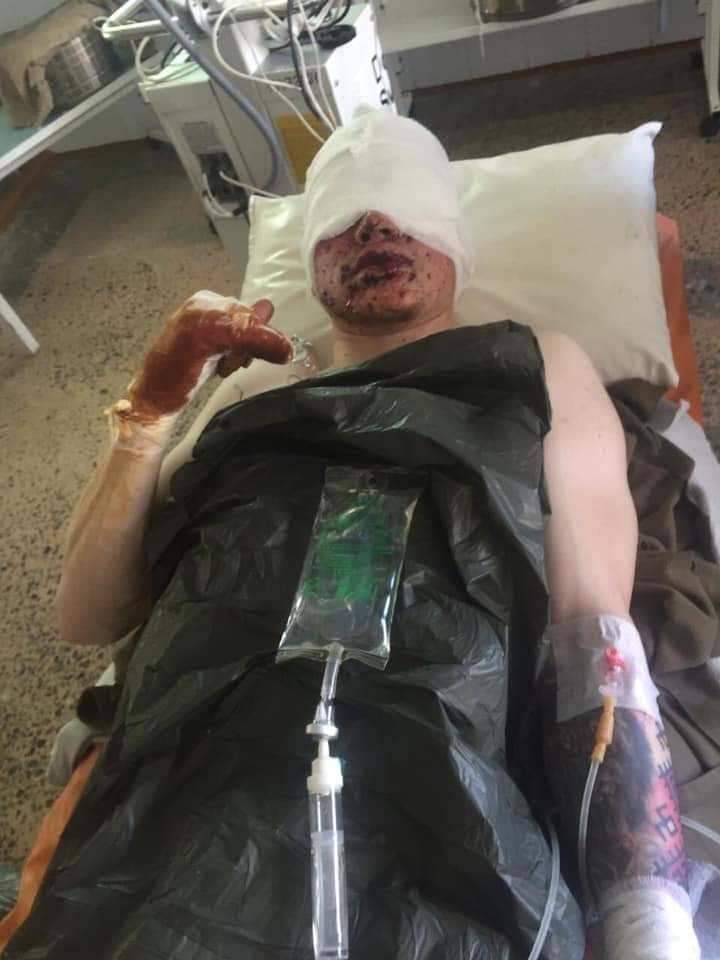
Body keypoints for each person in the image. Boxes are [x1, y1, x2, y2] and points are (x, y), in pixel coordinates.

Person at [55, 111, 699, 960]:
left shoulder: (532, 363)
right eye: (345, 219)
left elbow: (594, 631)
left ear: (456, 244)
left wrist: (645, 917)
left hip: (441, 775)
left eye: (406, 211)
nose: (376, 227)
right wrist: (146, 416)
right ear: (310, 260)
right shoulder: (253, 392)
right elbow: (91, 616)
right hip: (205, 763)